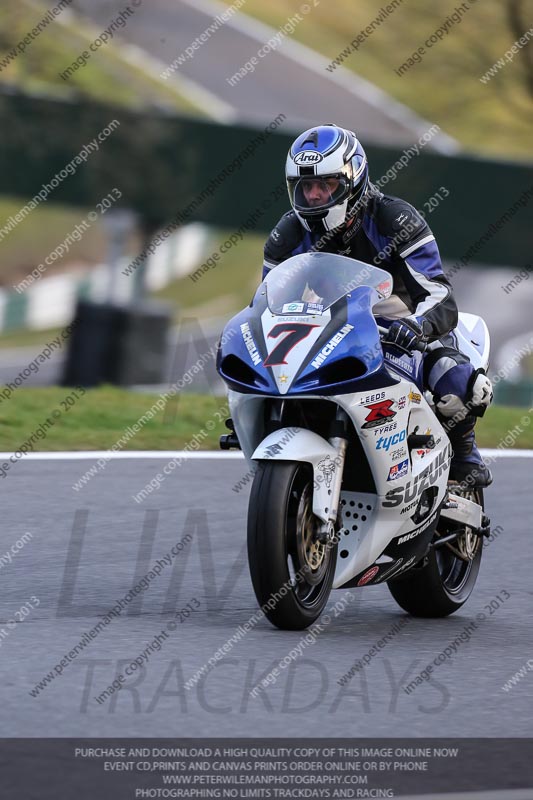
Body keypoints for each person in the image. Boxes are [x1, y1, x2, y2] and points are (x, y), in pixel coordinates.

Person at [263, 123, 493, 487]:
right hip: (329, 331)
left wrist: (416, 327)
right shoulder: (289, 232)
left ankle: (465, 456)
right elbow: (268, 302)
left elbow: (440, 295)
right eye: (306, 187)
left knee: (456, 381)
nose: (315, 196)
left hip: (400, 331)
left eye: (326, 185)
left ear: (352, 180)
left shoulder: (394, 218)